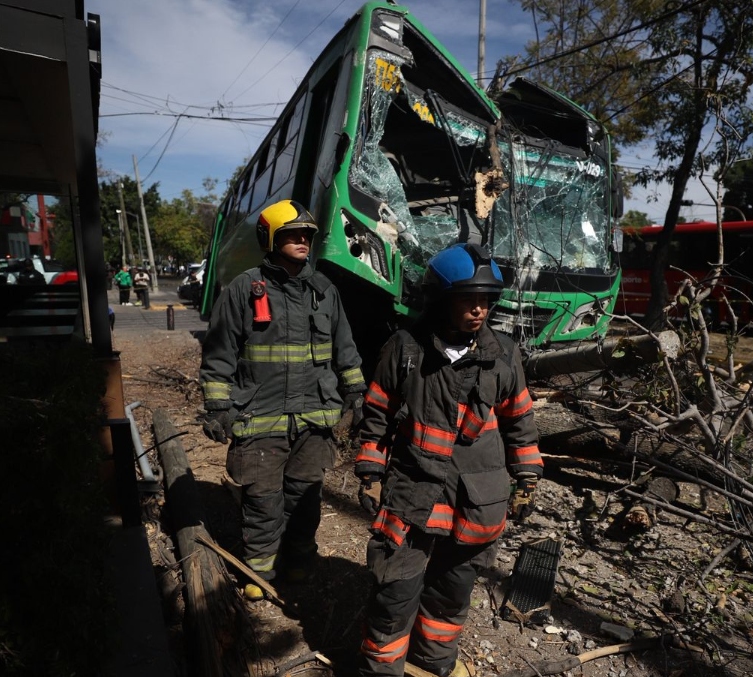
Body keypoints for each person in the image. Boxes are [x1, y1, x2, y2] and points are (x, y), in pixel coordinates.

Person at [354, 243, 542, 677]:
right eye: (467, 299)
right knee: (393, 595)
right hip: (411, 498)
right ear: (440, 298)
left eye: (486, 301)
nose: (479, 311)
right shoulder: (405, 349)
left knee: (451, 596)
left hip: (477, 502)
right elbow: (377, 414)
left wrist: (528, 477)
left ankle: (434, 665)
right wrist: (369, 471)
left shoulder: (503, 354)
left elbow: (520, 422)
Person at [199, 199, 365, 599]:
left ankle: (298, 561)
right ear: (269, 239)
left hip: (314, 420)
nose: (302, 241)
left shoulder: (324, 291)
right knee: (262, 498)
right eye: (291, 234)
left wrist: (357, 392)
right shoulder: (245, 288)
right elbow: (219, 353)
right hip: (260, 415)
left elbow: (345, 347)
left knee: (305, 498)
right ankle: (259, 572)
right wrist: (218, 406)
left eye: (306, 235)